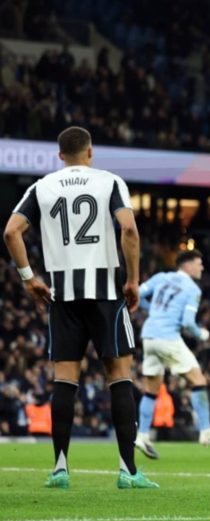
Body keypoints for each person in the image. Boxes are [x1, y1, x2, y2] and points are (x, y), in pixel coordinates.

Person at [3, 126, 157, 489]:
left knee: (65, 379)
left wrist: (28, 278)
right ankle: (128, 471)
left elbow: (10, 232)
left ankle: (60, 469)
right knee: (119, 376)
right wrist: (133, 280)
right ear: (90, 152)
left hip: (62, 295)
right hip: (105, 291)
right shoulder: (109, 181)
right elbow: (129, 229)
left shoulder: (41, 187)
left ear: (60, 155)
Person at [134, 249, 210, 459]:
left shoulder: (161, 277)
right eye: (199, 263)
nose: (202, 267)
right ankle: (206, 431)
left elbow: (136, 293)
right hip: (168, 337)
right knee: (198, 380)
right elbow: (188, 323)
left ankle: (142, 435)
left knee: (151, 390)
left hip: (149, 336)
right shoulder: (192, 289)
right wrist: (202, 334)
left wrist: (153, 311)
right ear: (187, 265)